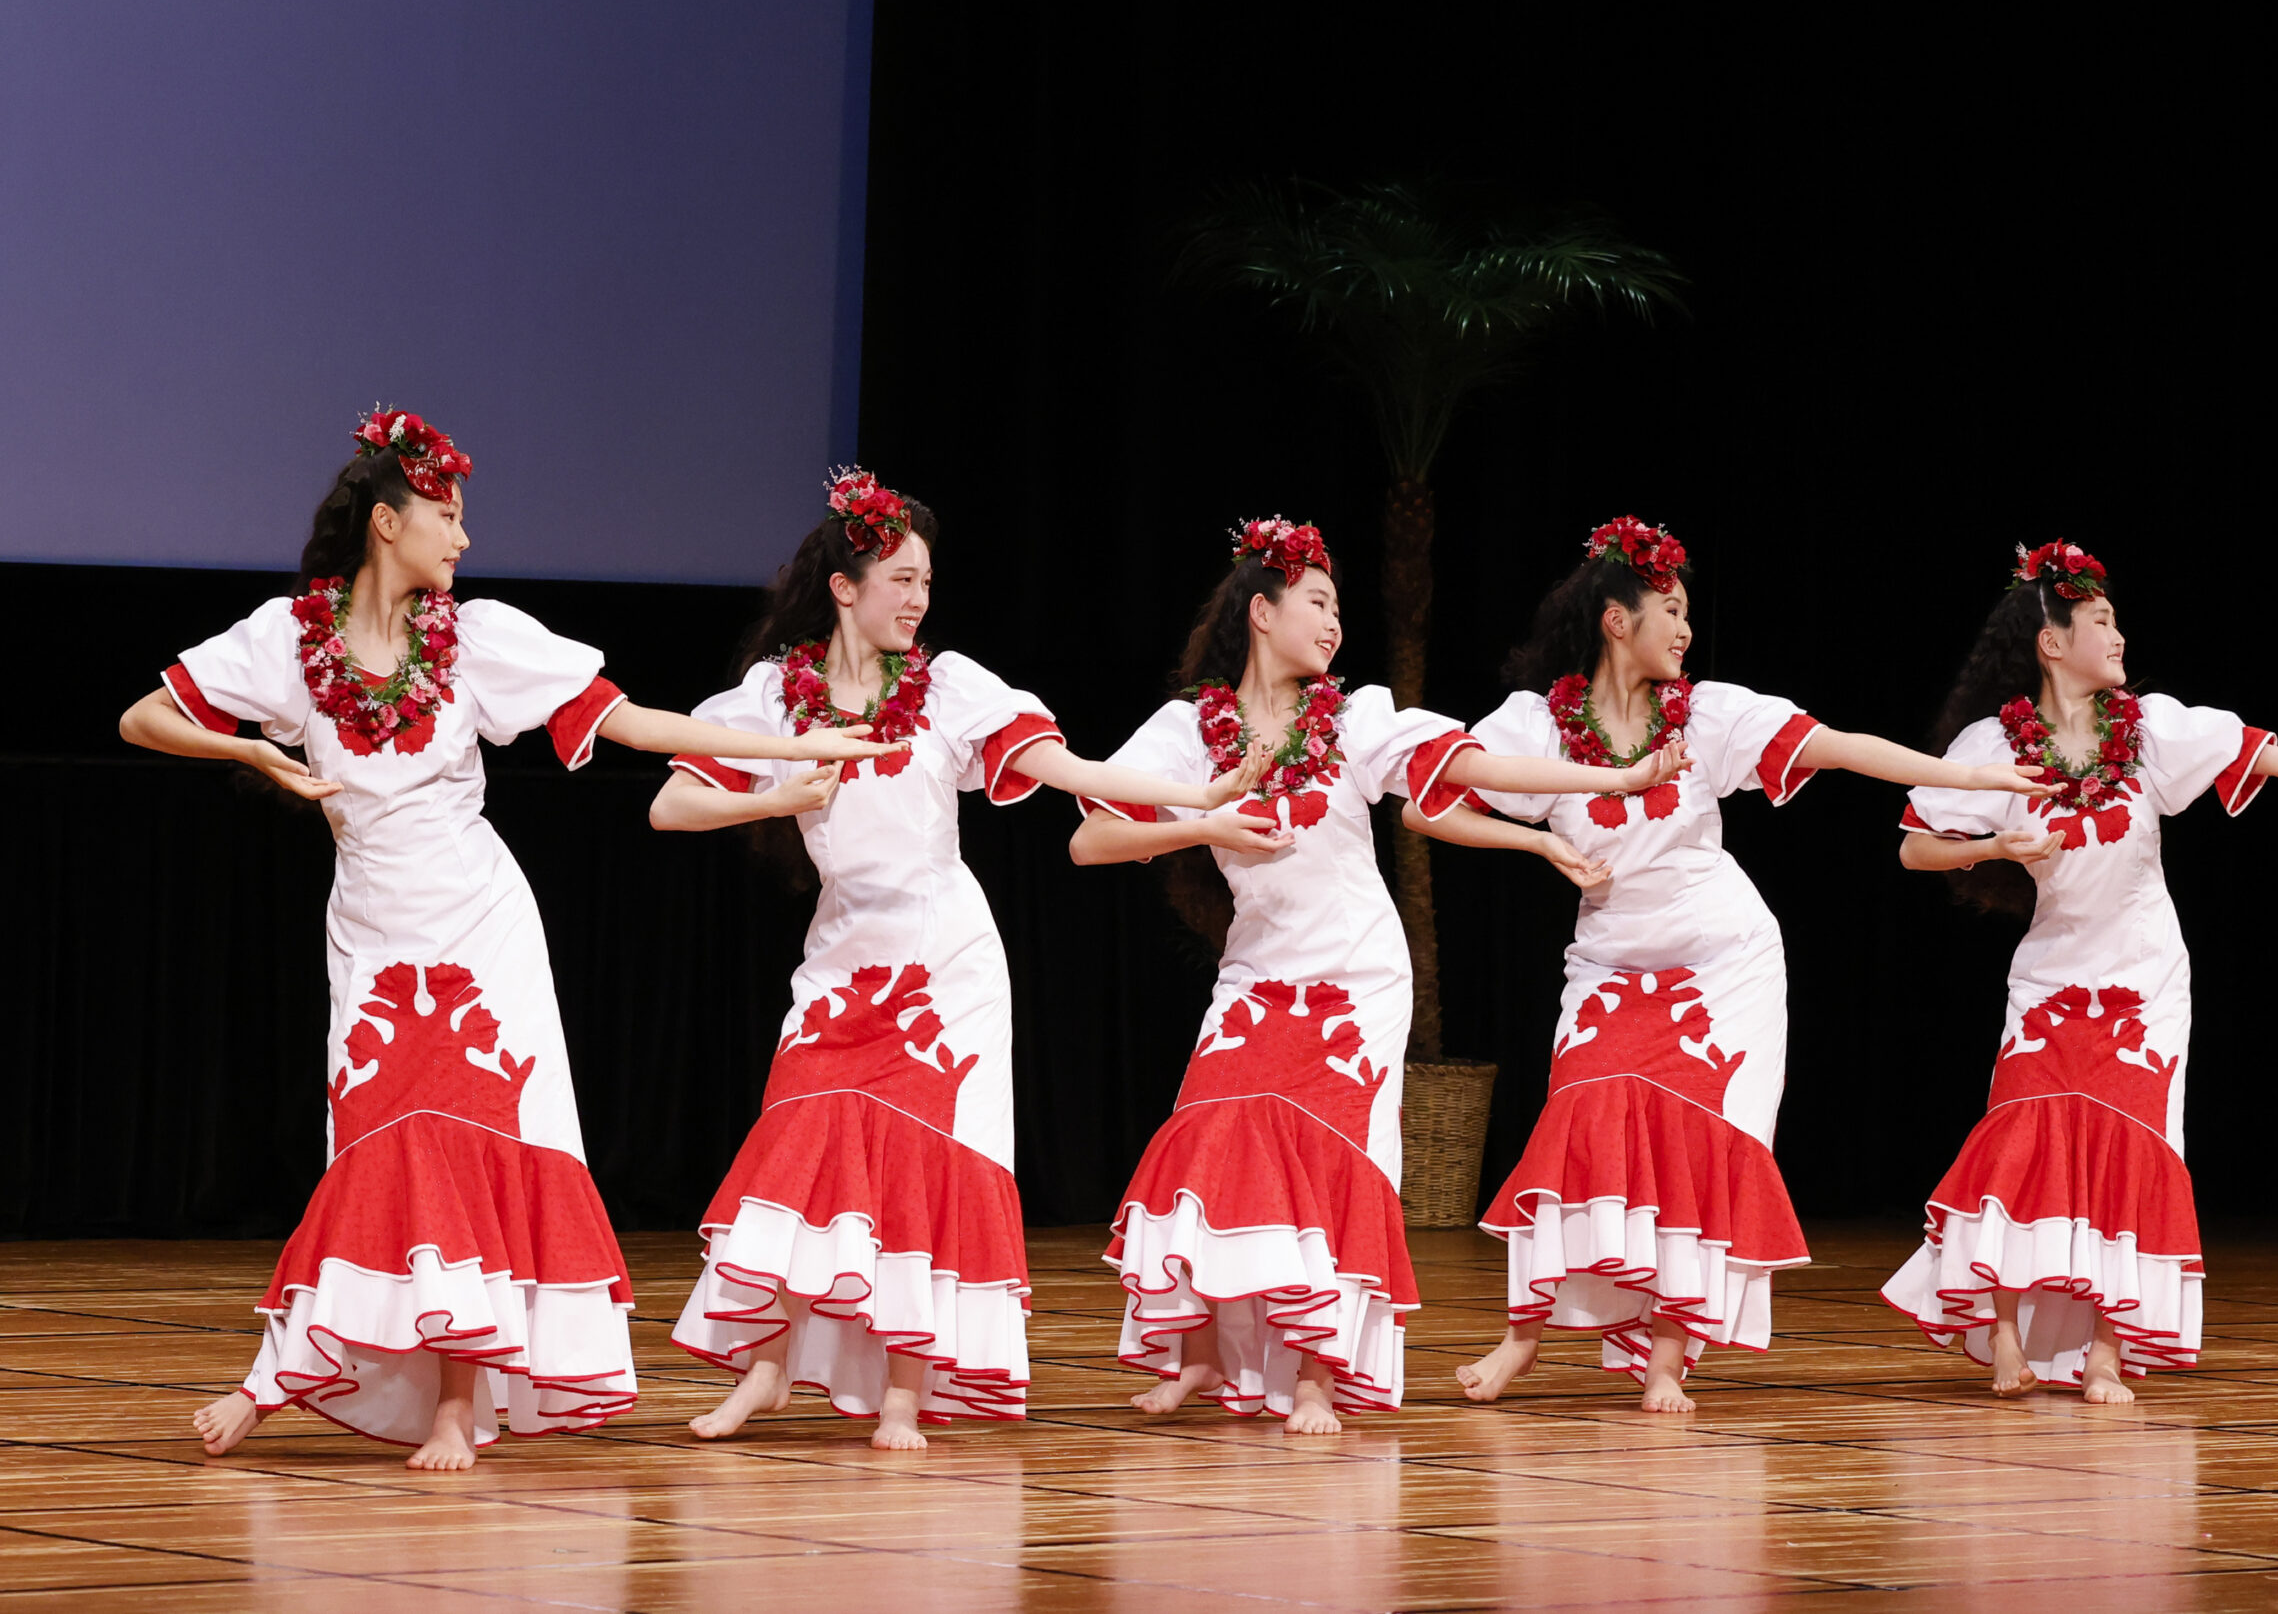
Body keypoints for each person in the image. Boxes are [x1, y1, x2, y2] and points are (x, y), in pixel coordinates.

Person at [118, 410, 893, 1470]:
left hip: (481, 923)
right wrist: (256, 755)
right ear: (388, 523)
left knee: (477, 1141)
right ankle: (281, 1375)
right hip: (375, 932)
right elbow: (144, 719)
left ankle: (454, 1404)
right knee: (378, 1153)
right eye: (447, 516)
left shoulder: (476, 640)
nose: (464, 539)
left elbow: (631, 722)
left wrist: (780, 741)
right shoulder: (288, 643)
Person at [652, 469, 1270, 1450]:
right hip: (844, 958)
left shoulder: (950, 688)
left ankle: (904, 1390)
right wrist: (776, 798)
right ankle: (767, 1370)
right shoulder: (775, 699)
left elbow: (1067, 771)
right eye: (899, 578)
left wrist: (1195, 803)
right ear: (844, 588)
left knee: (919, 1166)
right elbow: (670, 805)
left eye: (927, 582)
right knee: (800, 1139)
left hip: (946, 967)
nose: (917, 598)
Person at [1402, 517, 2050, 1409]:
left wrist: (1968, 779)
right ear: (1615, 620)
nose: (1686, 629)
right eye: (1670, 609)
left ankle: (1668, 1355)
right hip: (1610, 959)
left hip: (1721, 959)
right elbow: (1429, 805)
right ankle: (1524, 1339)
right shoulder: (1538, 724)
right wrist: (1540, 850)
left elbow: (1840, 745)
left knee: (1697, 1147)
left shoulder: (1705, 714)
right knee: (1579, 1124)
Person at [1067, 517, 1693, 1433]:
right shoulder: (1186, 731)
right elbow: (1092, 838)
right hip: (1258, 971)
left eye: (1337, 608)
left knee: (1331, 1155)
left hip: (1357, 974)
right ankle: (1198, 1354)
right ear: (1260, 611)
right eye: (1316, 602)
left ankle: (1319, 1374)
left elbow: (1470, 762)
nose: (1333, 624)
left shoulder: (1356, 718)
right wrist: (1203, 823)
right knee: (1209, 1125)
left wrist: (1614, 776)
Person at [1883, 539, 2278, 1401]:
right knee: (2022, 1135)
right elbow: (1913, 847)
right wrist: (1997, 843)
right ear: (2052, 641)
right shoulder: (1997, 744)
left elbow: (2263, 755)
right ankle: (2002, 1333)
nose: (2118, 636)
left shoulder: (2148, 731)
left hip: (2145, 974)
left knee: (2137, 1144)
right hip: (2050, 973)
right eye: (2102, 621)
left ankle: (2108, 1352)